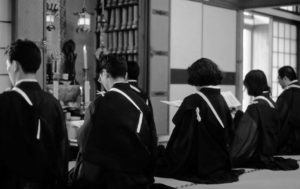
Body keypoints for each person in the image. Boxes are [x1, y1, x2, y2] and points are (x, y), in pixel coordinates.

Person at [72, 55, 161, 189]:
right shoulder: (141, 102)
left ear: (104, 74)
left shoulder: (100, 103)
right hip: (138, 175)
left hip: (108, 177)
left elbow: (84, 141)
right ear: (125, 75)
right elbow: (153, 141)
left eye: (100, 76)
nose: (99, 80)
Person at [155, 58, 240, 184]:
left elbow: (181, 130)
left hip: (203, 159)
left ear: (196, 77)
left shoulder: (194, 100)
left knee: (160, 159)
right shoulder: (221, 98)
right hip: (221, 158)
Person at [0, 39, 69, 189]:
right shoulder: (53, 103)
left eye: (7, 66)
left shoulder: (5, 102)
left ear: (15, 66)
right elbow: (62, 152)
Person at [230, 70, 298, 170]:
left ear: (252, 85)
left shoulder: (256, 106)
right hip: (271, 149)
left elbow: (246, 135)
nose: (246, 89)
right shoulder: (271, 102)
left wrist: (232, 156)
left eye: (247, 86)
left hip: (257, 153)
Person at [276, 66, 300, 154]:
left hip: (289, 144)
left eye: (279, 78)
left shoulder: (285, 96)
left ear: (285, 78)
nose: (278, 82)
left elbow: (278, 119)